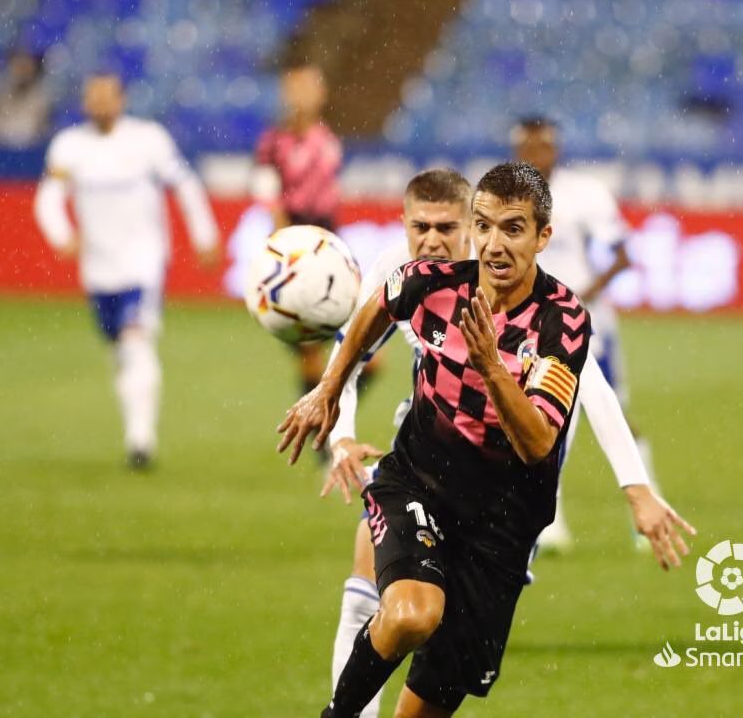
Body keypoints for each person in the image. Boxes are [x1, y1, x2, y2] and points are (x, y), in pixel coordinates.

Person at [278, 163, 694, 717]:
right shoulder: (429, 278)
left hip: (502, 521)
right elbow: (376, 308)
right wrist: (331, 391)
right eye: (484, 227)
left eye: (512, 229)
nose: (494, 244)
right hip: (419, 482)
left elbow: (539, 444)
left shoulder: (562, 321)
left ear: (544, 237)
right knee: (408, 614)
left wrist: (493, 370)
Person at [33, 73, 219, 469]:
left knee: (137, 342)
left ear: (122, 98)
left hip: (143, 261)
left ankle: (140, 439)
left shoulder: (148, 139)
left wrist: (204, 233)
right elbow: (48, 198)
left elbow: (184, 184)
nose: (100, 103)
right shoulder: (69, 146)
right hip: (98, 268)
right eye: (92, 96)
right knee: (121, 351)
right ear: (84, 102)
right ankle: (136, 427)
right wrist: (61, 234)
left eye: (107, 95)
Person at [511, 115, 656, 552]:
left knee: (614, 411)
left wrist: (579, 297)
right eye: (529, 146)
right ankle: (547, 525)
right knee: (537, 421)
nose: (538, 154)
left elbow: (622, 256)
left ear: (556, 148)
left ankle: (647, 511)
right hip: (528, 326)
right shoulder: (505, 197)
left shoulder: (585, 194)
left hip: (586, 322)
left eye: (545, 146)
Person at [251, 63, 348, 409]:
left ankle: (318, 415)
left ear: (322, 94)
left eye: (309, 88)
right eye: (296, 89)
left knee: (362, 351)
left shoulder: (329, 140)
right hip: (297, 251)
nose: (302, 96)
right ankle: (318, 426)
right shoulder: (272, 143)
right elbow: (268, 196)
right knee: (312, 350)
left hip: (331, 247)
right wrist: (291, 249)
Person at [0, 48, 52, 148]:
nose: (21, 73)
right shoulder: (1, 96)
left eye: (25, 68)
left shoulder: (41, 99)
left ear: (33, 70)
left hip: (31, 153)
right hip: (2, 152)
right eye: (17, 68)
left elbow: (37, 132)